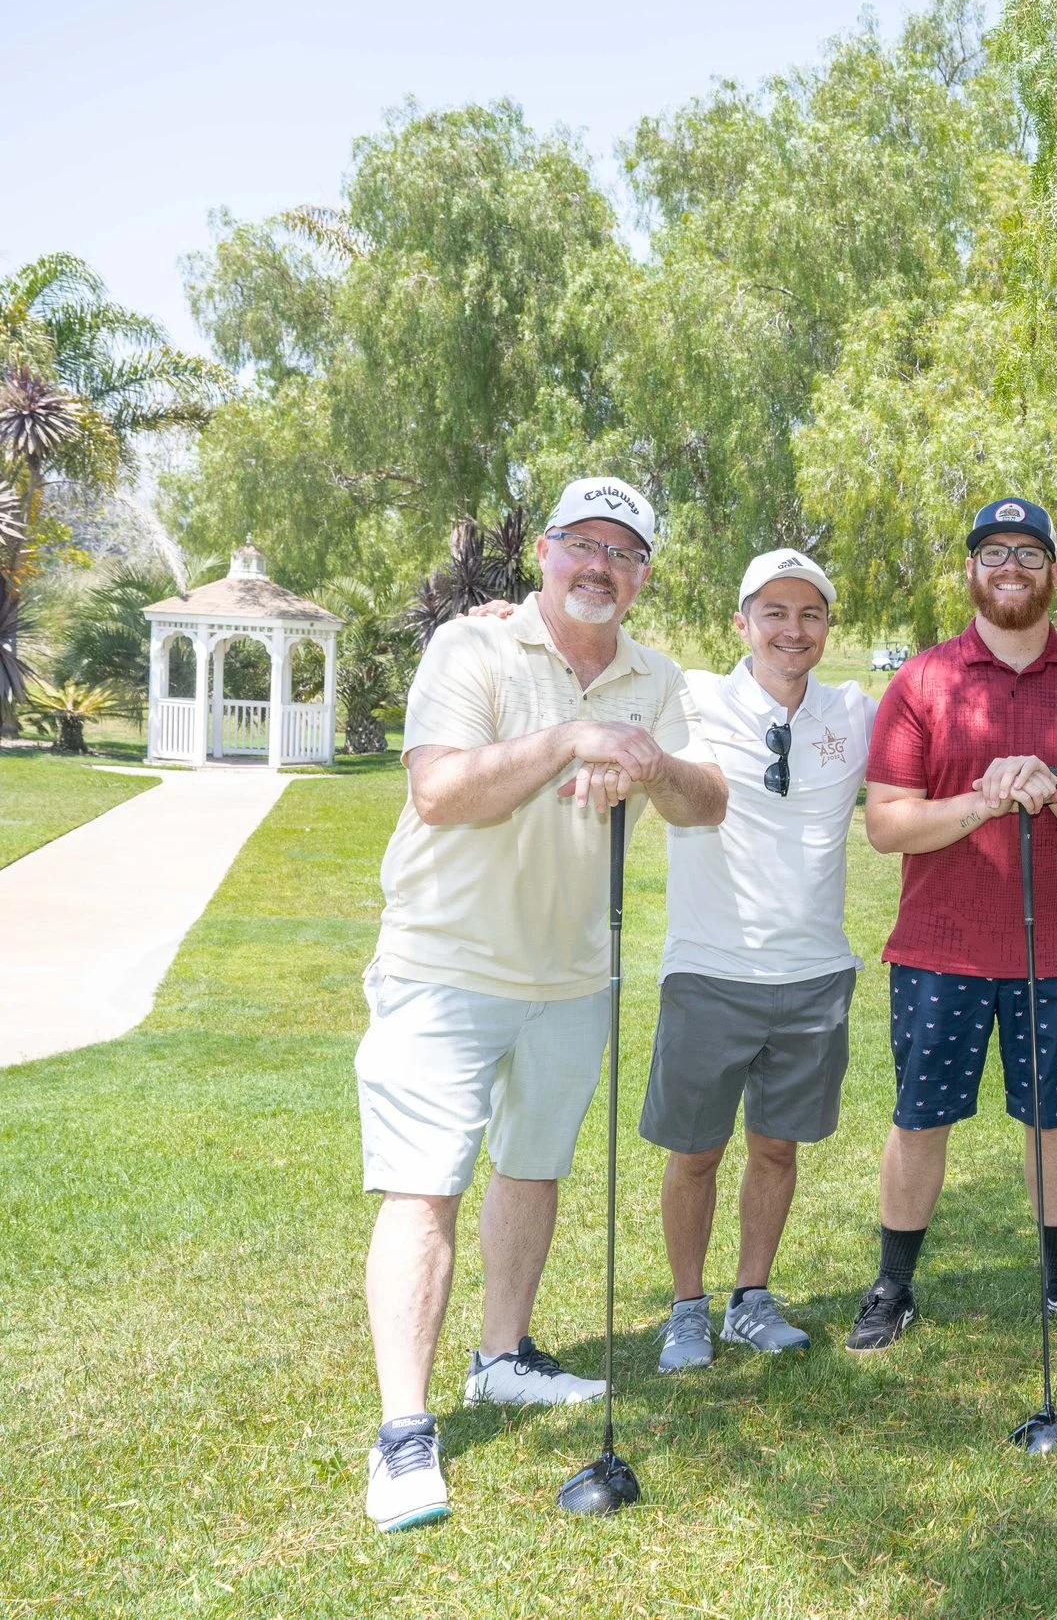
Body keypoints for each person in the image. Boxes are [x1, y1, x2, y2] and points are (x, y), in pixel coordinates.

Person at [356, 477, 726, 1533]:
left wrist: (645, 761)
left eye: (623, 550)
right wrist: (569, 738)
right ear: (546, 555)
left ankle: (503, 1354)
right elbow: (439, 789)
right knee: (422, 1185)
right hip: (445, 961)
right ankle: (402, 1431)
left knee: (533, 1165)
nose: (599, 565)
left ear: (642, 573)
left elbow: (707, 801)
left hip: (571, 972)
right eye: (581, 544)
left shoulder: (655, 678)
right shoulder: (470, 651)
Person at [844, 497, 1057, 1352]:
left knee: (1054, 1118)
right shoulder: (924, 681)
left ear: (1053, 570)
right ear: (970, 571)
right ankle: (893, 1284)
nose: (1010, 567)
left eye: (1028, 552)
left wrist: (1056, 785)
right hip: (939, 950)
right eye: (992, 552)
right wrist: (985, 801)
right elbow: (888, 824)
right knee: (920, 1116)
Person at [645, 549, 876, 1372]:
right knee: (695, 1152)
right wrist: (506, 621)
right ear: (741, 623)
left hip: (814, 975)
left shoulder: (854, 711)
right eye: (773, 612)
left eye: (810, 613)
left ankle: (751, 1296)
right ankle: (686, 1308)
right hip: (711, 970)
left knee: (777, 1148)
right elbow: (587, 671)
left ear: (826, 628)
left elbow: (947, 715)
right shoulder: (691, 694)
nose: (792, 627)